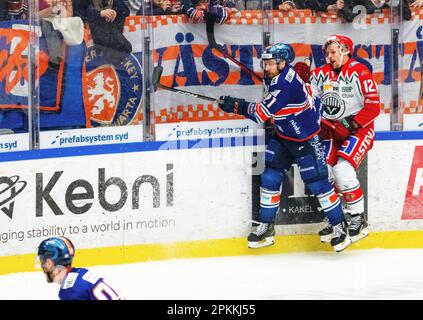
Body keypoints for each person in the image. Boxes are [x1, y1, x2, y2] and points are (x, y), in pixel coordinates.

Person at [217, 43, 351, 252]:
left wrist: (236, 105)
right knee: (269, 176)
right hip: (283, 136)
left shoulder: (285, 87)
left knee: (318, 184)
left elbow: (261, 114)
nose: (266, 67)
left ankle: (340, 227)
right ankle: (267, 227)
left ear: (282, 63)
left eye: (271, 63)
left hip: (306, 140)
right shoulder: (279, 76)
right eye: (266, 63)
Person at [309, 34, 380, 244]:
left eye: (333, 52)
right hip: (331, 132)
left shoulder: (360, 71)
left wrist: (350, 124)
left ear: (345, 51)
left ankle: (358, 219)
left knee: (343, 170)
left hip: (359, 130)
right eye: (327, 53)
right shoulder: (320, 74)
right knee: (325, 172)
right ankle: (336, 219)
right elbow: (308, 101)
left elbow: (373, 106)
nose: (329, 56)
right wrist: (300, 83)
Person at [37, 236, 123, 300]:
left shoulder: (70, 291)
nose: (43, 266)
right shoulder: (81, 273)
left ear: (51, 263)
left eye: (44, 261)